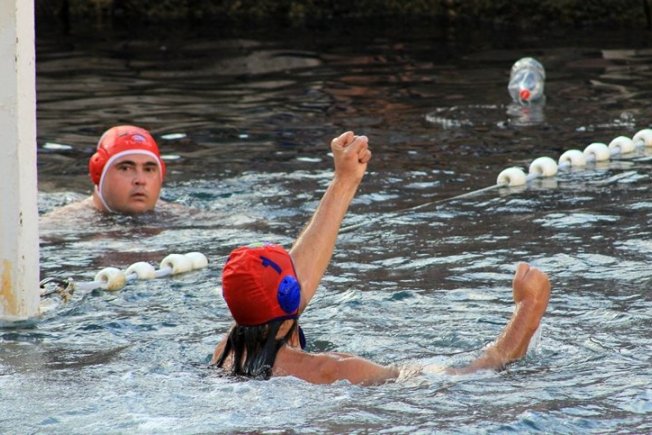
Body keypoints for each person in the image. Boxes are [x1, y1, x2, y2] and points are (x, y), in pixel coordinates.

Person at [209, 131, 551, 385]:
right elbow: (461, 377)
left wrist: (344, 180)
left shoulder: (227, 352)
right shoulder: (334, 371)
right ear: (289, 296)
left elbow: (281, 292)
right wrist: (526, 312)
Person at [43, 125, 167, 217]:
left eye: (149, 169)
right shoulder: (62, 225)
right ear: (98, 173)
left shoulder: (174, 217)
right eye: (125, 168)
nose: (140, 180)